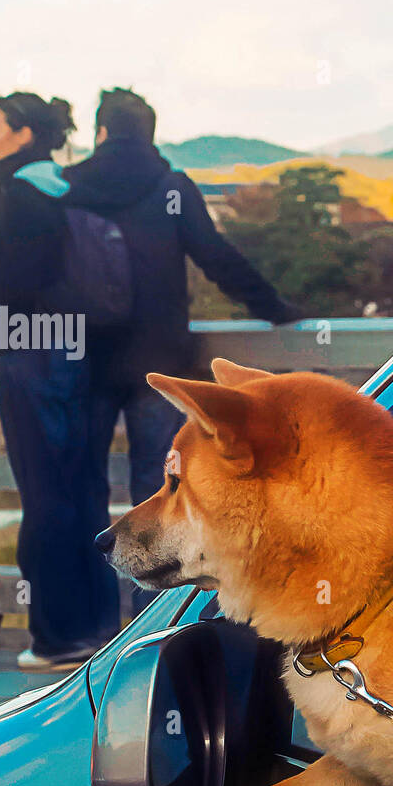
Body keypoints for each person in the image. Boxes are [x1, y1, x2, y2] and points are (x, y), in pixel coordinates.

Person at [62, 87, 299, 625]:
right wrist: (276, 308)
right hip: (159, 364)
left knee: (82, 491)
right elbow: (216, 256)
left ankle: (89, 632)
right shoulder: (170, 187)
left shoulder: (69, 188)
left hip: (85, 360)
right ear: (149, 133)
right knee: (164, 494)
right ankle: (155, 630)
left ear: (100, 132)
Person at [0, 92, 111, 672]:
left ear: (23, 135)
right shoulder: (66, 187)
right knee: (81, 491)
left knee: (44, 496)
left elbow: (17, 278)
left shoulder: (23, 196)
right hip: (79, 350)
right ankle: (99, 627)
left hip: (33, 351)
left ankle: (56, 638)